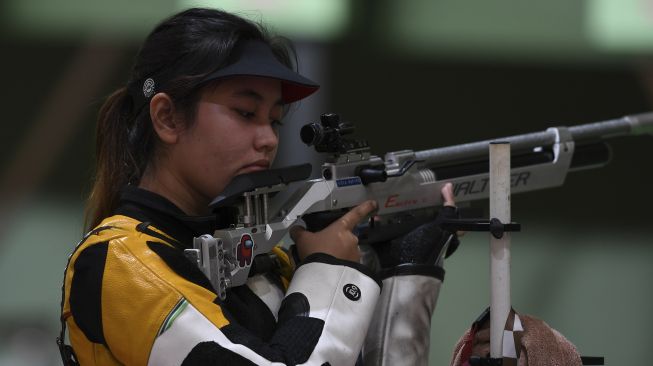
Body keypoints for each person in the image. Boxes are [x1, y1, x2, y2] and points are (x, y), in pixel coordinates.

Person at [58, 8, 458, 366]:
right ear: (167, 118)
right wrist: (330, 270)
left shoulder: (267, 265)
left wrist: (404, 272)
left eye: (274, 120)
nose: (268, 139)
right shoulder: (117, 263)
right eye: (245, 112)